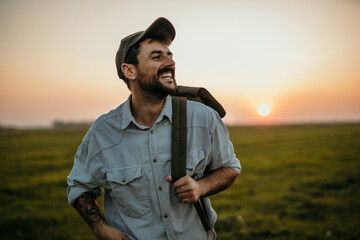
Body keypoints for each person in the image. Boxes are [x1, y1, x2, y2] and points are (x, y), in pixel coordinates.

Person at [67, 17, 241, 240]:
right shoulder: (102, 133)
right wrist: (99, 227)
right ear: (129, 71)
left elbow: (230, 168)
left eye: (170, 55)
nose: (169, 62)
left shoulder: (203, 118)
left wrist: (201, 187)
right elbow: (79, 187)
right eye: (157, 57)